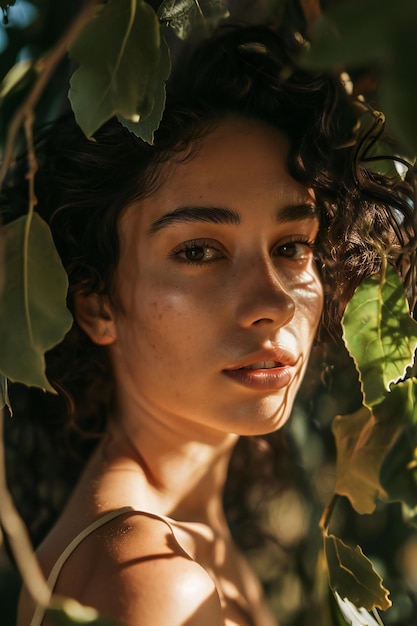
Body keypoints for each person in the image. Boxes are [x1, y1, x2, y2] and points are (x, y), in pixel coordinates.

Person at [3, 21, 415, 626]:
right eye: (199, 250)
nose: (272, 301)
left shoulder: (182, 541)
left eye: (291, 246)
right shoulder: (151, 582)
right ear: (95, 304)